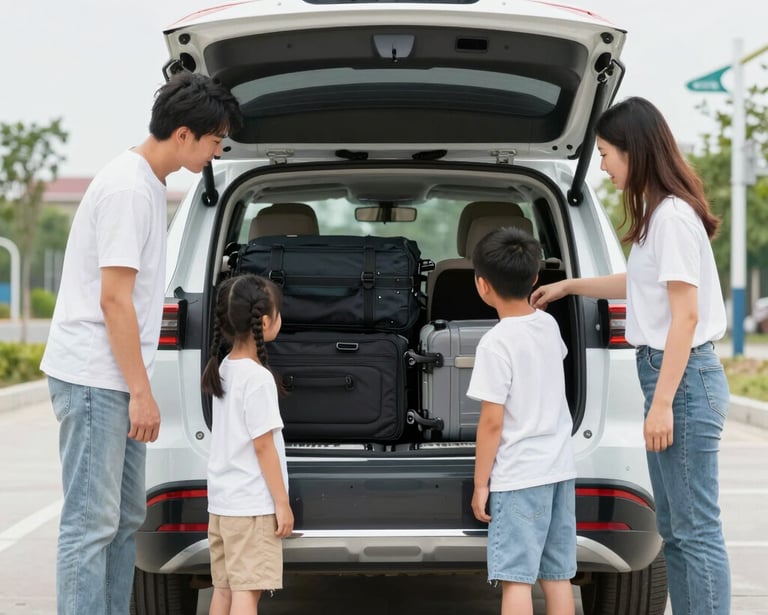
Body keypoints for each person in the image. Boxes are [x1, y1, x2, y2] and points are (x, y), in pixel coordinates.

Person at [40, 71, 243, 615]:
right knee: (90, 522)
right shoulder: (129, 189)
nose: (217, 151)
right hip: (94, 378)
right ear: (184, 134)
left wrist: (137, 387)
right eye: (215, 140)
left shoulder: (149, 183)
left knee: (125, 516)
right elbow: (114, 300)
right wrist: (141, 392)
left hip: (115, 378)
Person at [531, 96, 731, 615]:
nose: (602, 165)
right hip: (670, 379)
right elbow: (638, 284)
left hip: (682, 382)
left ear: (633, 150)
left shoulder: (673, 219)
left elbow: (685, 317)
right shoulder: (658, 217)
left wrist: (662, 403)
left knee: (696, 529)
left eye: (605, 153)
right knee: (676, 530)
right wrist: (568, 286)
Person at [468, 226, 577, 615]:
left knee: (516, 579)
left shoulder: (495, 343)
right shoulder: (548, 325)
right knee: (557, 575)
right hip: (559, 470)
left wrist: (481, 484)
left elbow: (491, 423)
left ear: (482, 286)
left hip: (519, 477)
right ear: (534, 278)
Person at [201, 274, 294, 615]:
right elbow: (263, 446)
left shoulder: (225, 368)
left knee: (224, 590)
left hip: (222, 505)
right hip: (251, 508)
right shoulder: (258, 379)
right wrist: (281, 503)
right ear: (265, 322)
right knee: (246, 594)